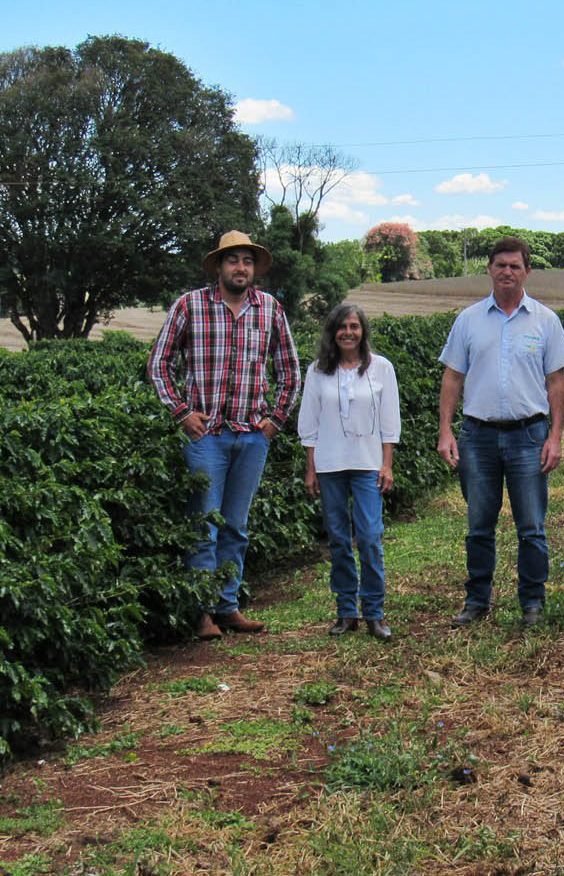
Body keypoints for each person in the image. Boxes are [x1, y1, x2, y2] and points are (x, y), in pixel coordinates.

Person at [148, 230, 301, 640]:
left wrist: (274, 422)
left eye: (247, 261)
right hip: (206, 437)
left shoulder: (269, 309)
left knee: (236, 525)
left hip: (251, 436)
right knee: (204, 525)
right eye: (233, 260)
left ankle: (227, 606)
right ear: (218, 266)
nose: (241, 268)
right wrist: (182, 413)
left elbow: (289, 371)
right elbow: (159, 364)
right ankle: (201, 612)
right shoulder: (190, 306)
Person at [437, 237, 564, 629]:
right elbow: (452, 377)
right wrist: (446, 430)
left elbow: (556, 382)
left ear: (527, 271)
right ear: (490, 269)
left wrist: (555, 436)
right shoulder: (468, 321)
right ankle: (477, 601)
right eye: (500, 265)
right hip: (477, 437)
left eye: (515, 266)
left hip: (529, 436)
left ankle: (532, 603)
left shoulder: (545, 321)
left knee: (531, 527)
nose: (507, 272)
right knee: (479, 525)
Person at [297, 302, 401, 641]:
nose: (348, 332)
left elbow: (389, 422)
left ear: (363, 331)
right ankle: (346, 611)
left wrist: (387, 464)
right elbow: (309, 423)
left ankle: (374, 612)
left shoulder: (381, 368)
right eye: (342, 327)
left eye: (354, 326)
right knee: (339, 539)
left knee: (370, 538)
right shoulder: (317, 371)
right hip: (329, 466)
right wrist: (311, 468)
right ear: (332, 332)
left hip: (368, 464)